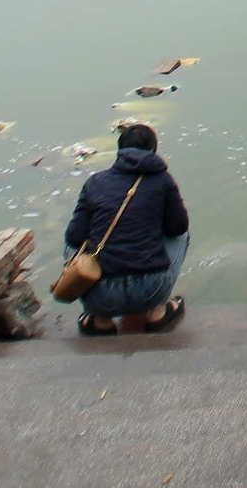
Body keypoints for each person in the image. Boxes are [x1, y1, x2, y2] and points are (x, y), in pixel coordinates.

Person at [63, 123, 190, 336]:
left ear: (119, 151)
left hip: (100, 297)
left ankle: (101, 320)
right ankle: (158, 312)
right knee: (182, 235)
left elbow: (74, 237)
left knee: (71, 245)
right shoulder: (163, 180)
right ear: (154, 150)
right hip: (151, 291)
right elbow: (178, 227)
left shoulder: (95, 183)